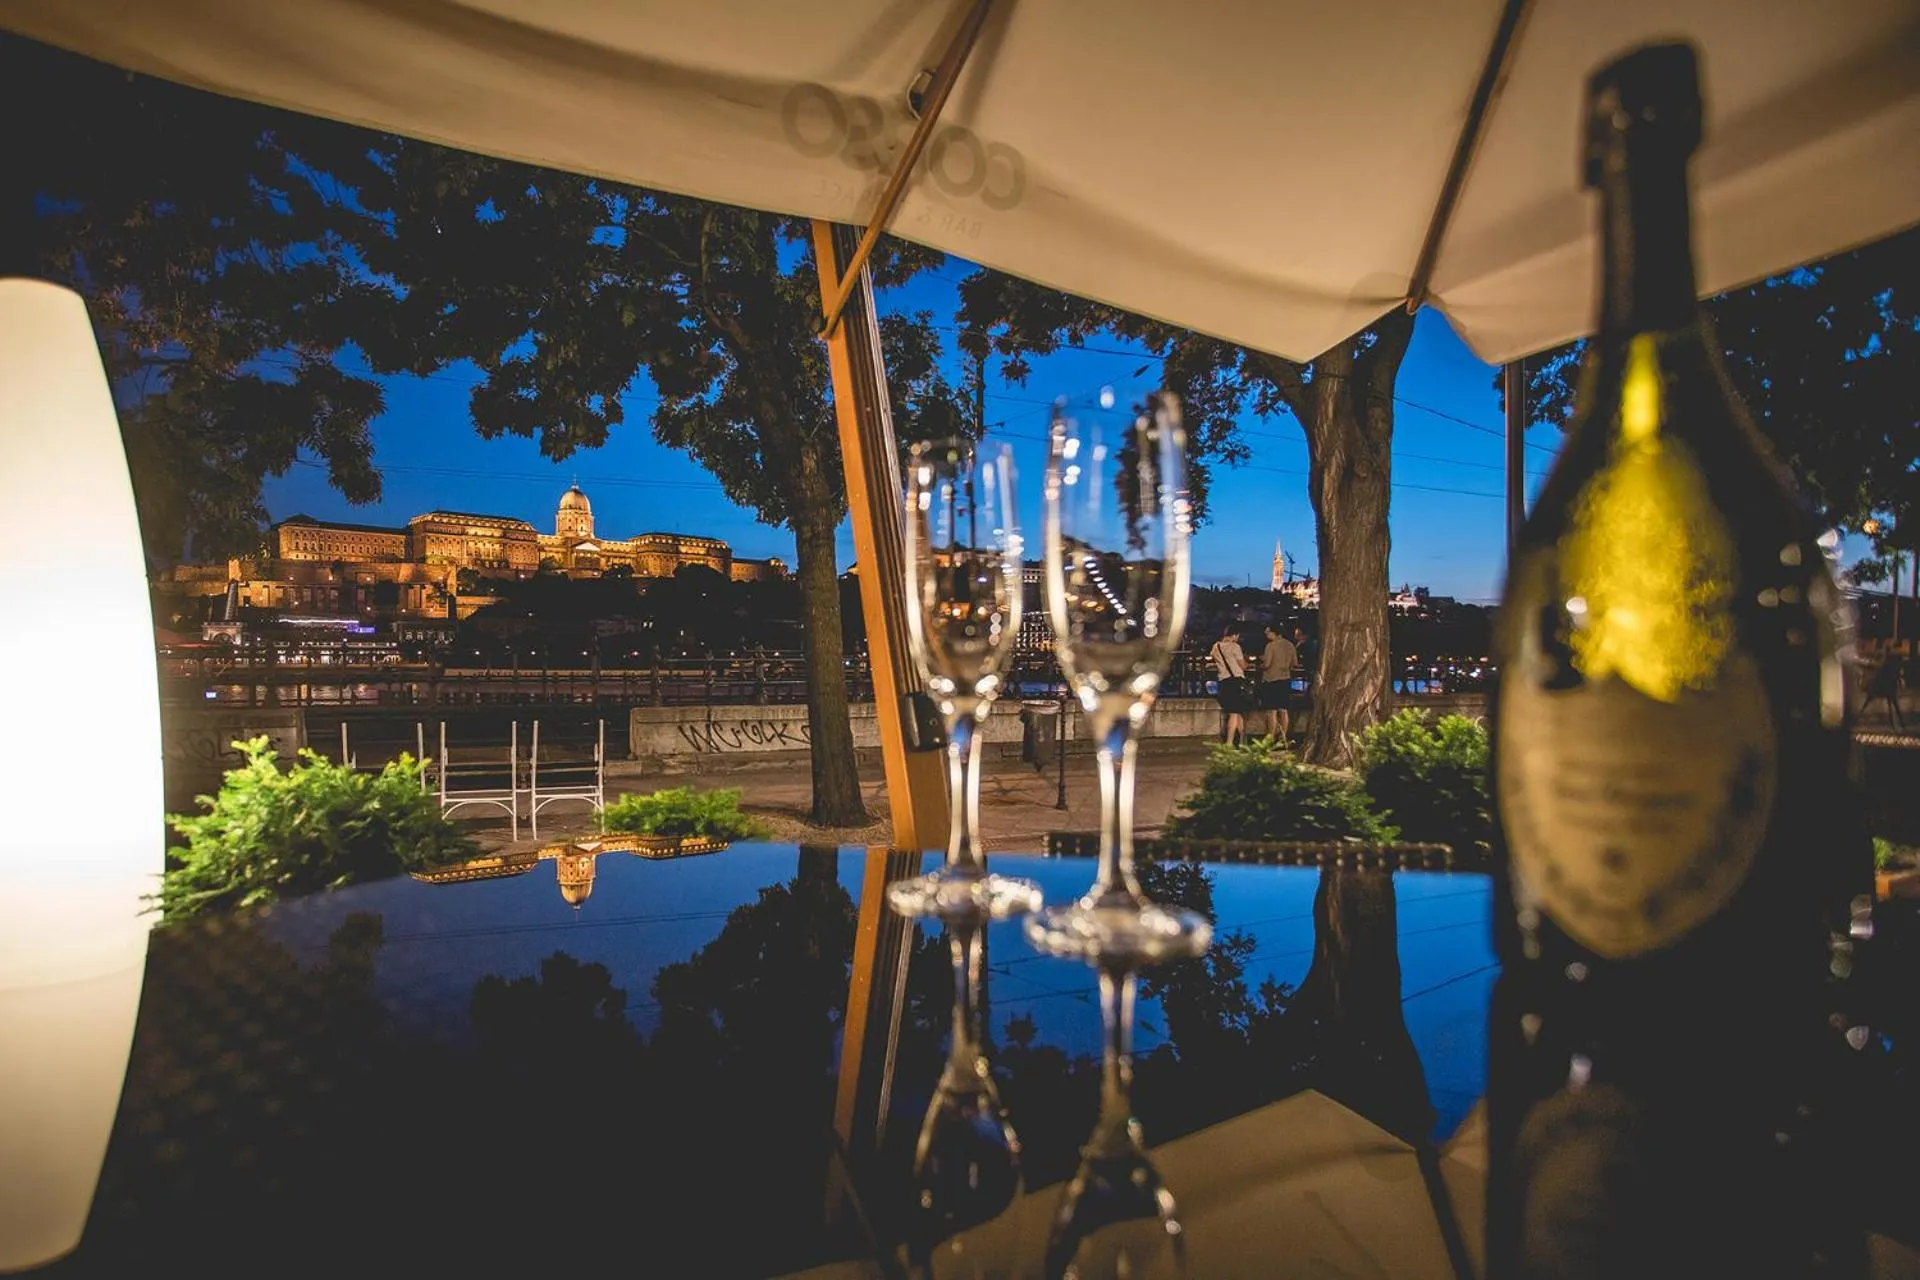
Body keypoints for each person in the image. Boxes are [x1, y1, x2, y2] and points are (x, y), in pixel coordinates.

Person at [1208, 623, 1251, 746]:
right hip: (1236, 682)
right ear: (1235, 635)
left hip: (1223, 681)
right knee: (1234, 713)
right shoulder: (1235, 647)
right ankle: (1230, 742)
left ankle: (1243, 741)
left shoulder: (1216, 647)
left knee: (1236, 712)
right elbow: (1243, 665)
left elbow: (1214, 658)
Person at [1258, 622, 1297, 743]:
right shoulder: (1290, 645)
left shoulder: (1270, 646)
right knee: (1284, 710)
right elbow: (1294, 663)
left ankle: (1271, 738)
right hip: (1285, 679)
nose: (1265, 633)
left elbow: (1267, 664)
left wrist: (1261, 664)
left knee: (1272, 710)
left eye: (1268, 631)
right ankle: (1283, 738)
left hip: (1271, 679)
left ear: (1275, 632)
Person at [1864, 652, 1905, 731]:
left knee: (1893, 705)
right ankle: (1898, 724)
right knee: (1894, 705)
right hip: (1888, 688)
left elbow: (1880, 677)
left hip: (1887, 688)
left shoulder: (1886, 667)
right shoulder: (1890, 667)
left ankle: (1897, 724)